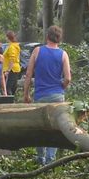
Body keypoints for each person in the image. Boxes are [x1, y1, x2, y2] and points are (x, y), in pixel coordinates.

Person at [23, 25, 71, 166]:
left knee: (41, 127)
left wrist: (26, 94)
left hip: (40, 96)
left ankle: (40, 158)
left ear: (47, 36)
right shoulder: (63, 54)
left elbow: (28, 74)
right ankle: (51, 160)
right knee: (55, 128)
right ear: (59, 39)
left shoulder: (37, 51)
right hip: (57, 96)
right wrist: (61, 86)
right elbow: (68, 78)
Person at [2, 30, 22, 95]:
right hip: (16, 68)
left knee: (8, 88)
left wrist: (8, 71)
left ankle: (9, 102)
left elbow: (12, 59)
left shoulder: (12, 47)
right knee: (13, 87)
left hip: (12, 69)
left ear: (8, 37)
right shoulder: (15, 45)